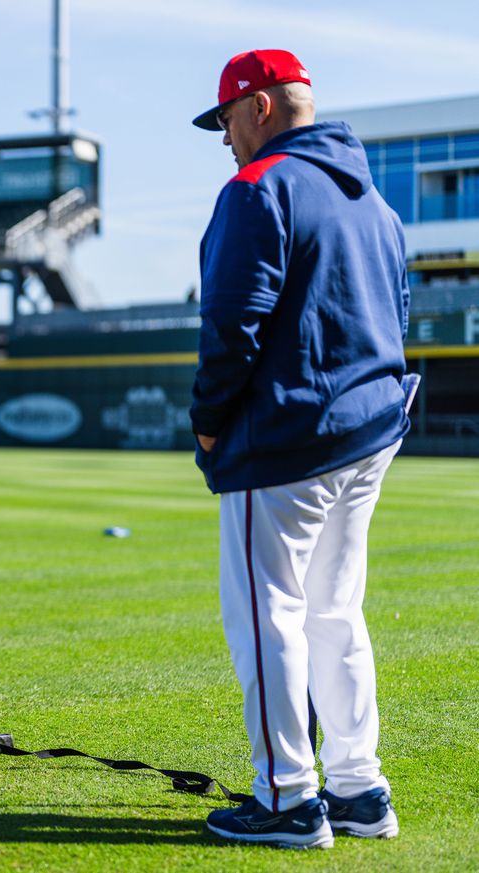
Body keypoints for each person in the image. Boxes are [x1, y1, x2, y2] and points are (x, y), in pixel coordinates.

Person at [189, 50, 410, 848]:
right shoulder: (372, 199)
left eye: (225, 122)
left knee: (268, 615)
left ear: (260, 108)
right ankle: (358, 787)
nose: (224, 140)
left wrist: (209, 419)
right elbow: (398, 312)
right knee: (334, 611)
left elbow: (231, 323)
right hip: (368, 433)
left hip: (285, 440)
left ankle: (288, 798)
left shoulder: (259, 188)